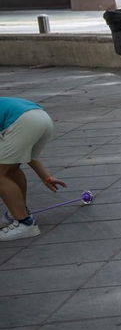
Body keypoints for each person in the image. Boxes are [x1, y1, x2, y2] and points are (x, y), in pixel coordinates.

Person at [0, 98, 64, 242]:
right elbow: (26, 154)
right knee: (11, 168)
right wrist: (46, 177)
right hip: (41, 117)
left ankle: (24, 223)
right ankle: (18, 212)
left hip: (23, 122)